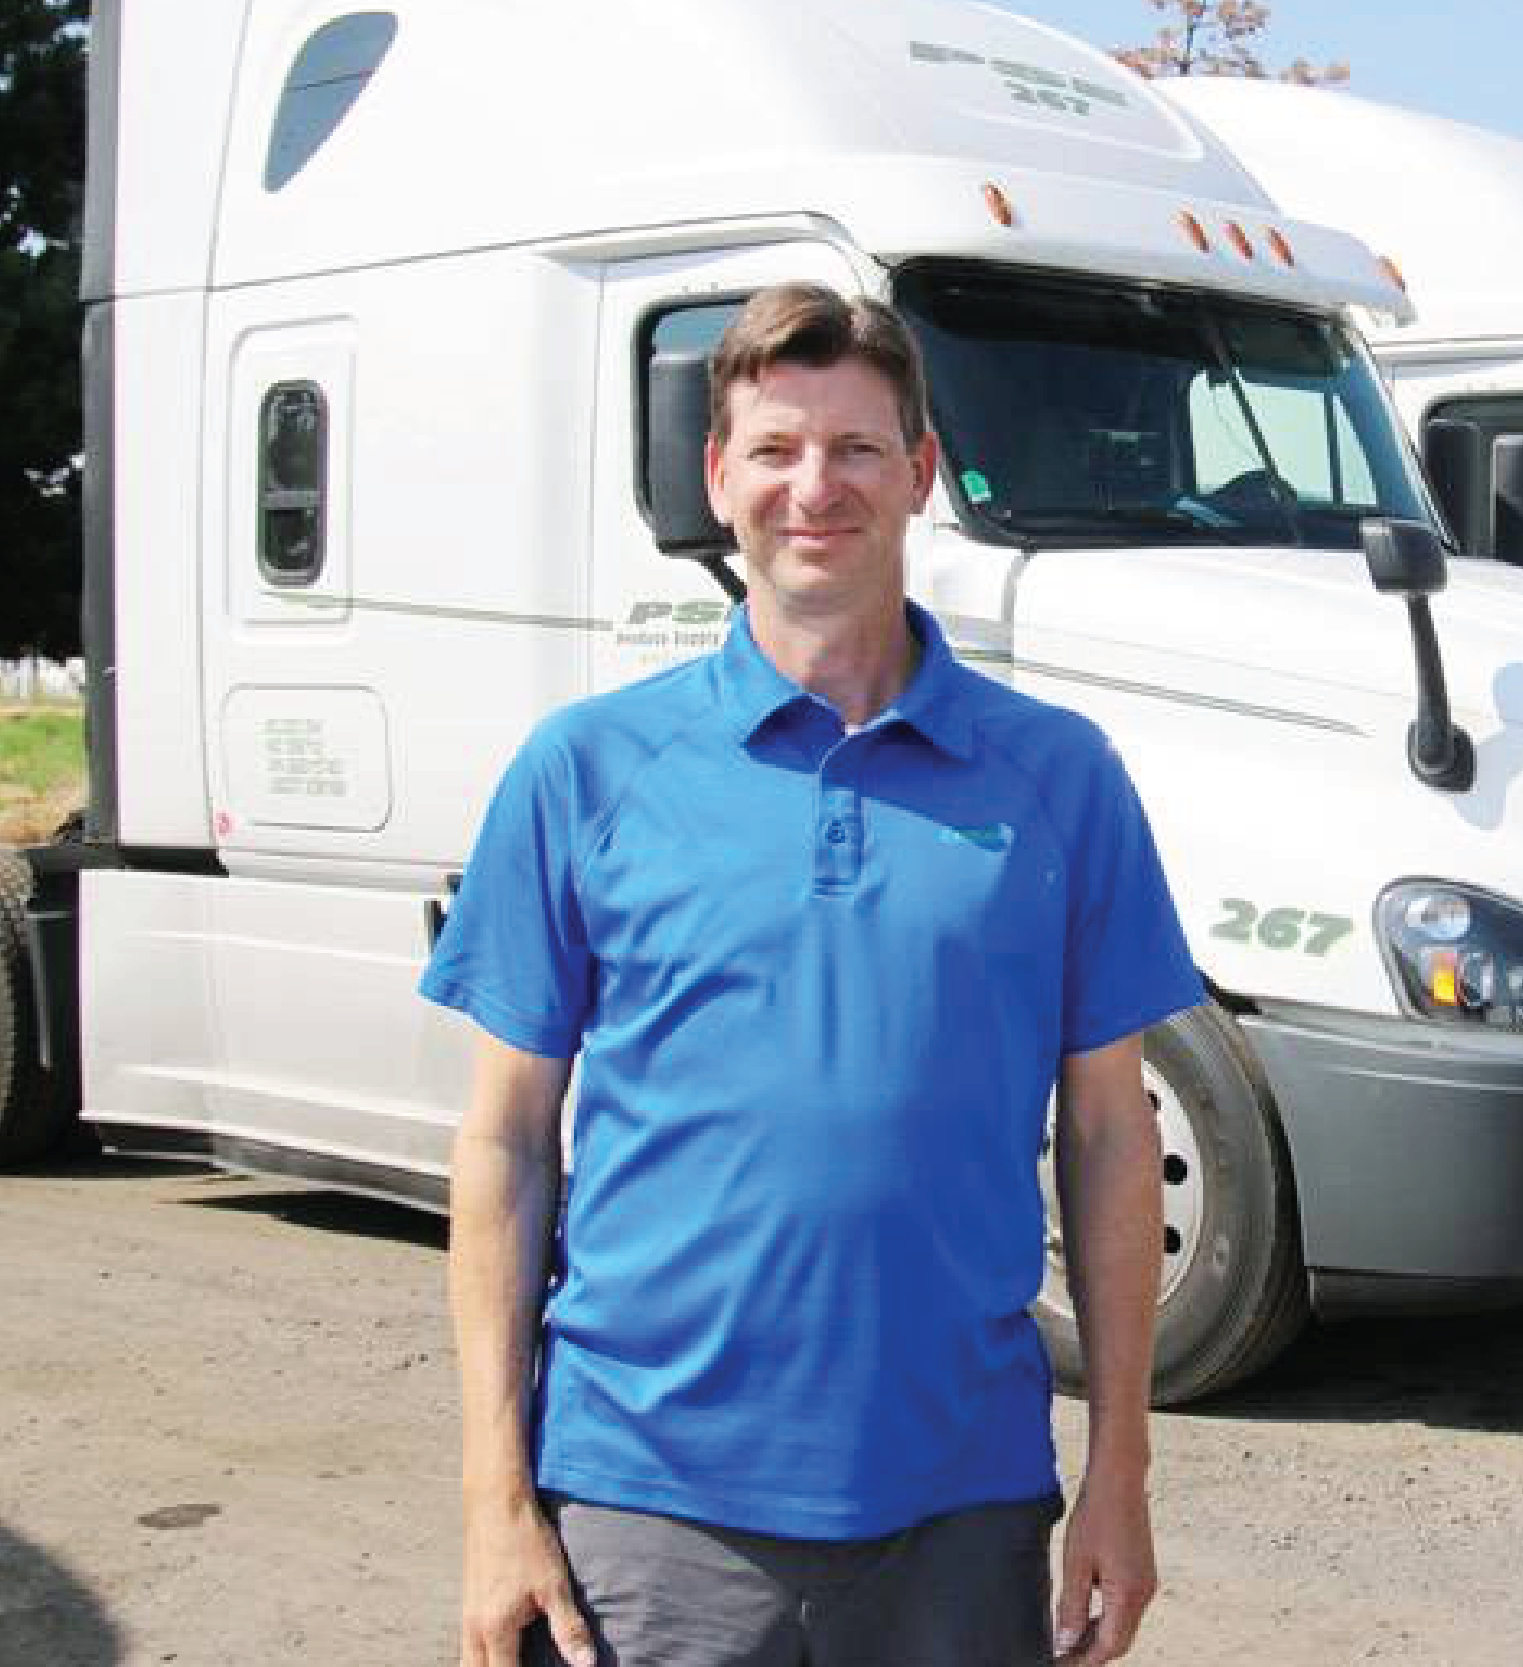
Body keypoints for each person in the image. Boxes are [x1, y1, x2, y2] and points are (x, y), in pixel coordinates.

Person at [421, 283, 1203, 1667]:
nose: (813, 486)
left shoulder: (1059, 779)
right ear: (717, 478)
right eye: (775, 448)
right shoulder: (585, 769)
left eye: (854, 449)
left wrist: (1120, 1472)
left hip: (959, 1508)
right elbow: (504, 1143)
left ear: (918, 477)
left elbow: (1108, 1133)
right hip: (642, 1511)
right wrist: (493, 1498)